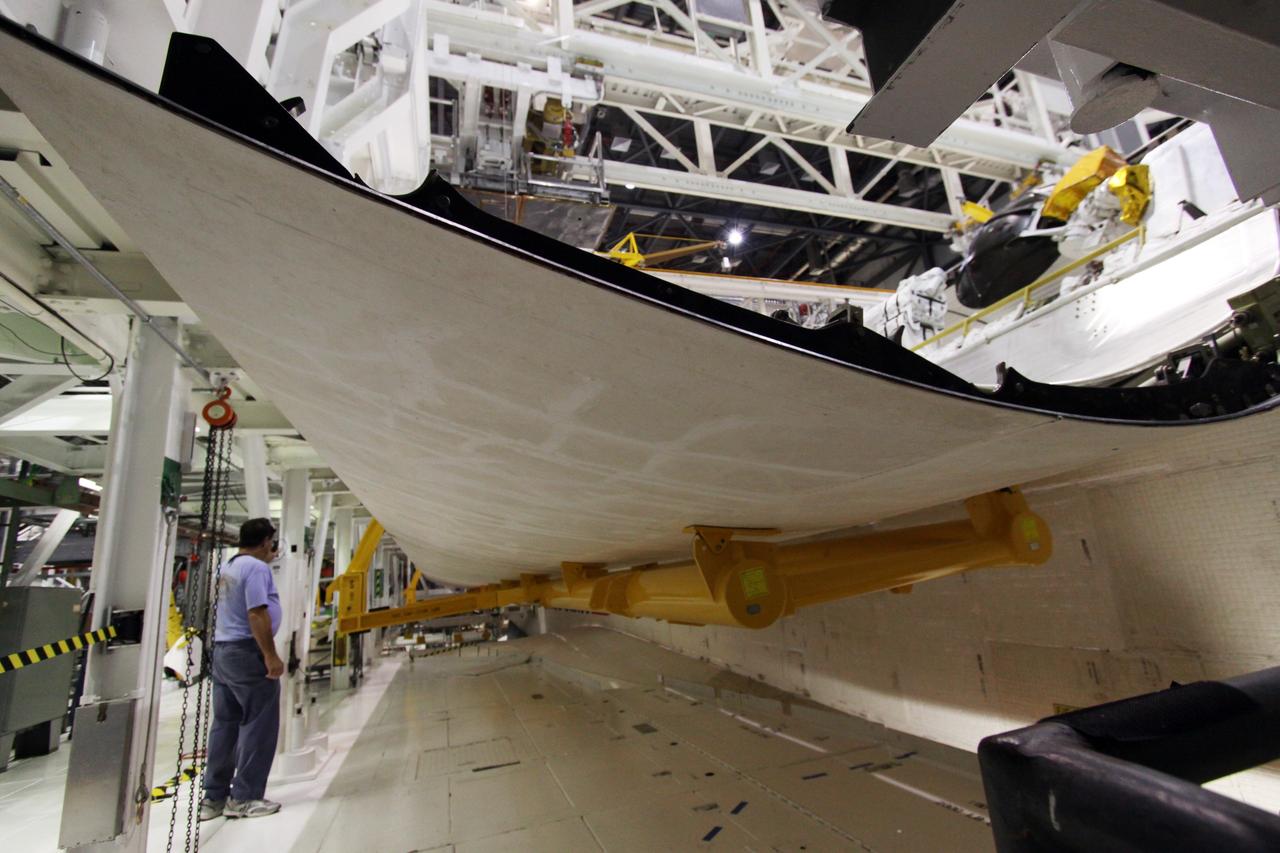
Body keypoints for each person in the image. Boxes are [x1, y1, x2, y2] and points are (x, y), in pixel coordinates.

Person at [200, 518, 286, 820]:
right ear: (265, 542)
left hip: (223, 652)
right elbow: (256, 613)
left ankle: (214, 797)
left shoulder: (229, 567)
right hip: (246, 652)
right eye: (271, 543)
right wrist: (270, 655)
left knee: (225, 725)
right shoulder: (257, 568)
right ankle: (245, 797)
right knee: (259, 724)